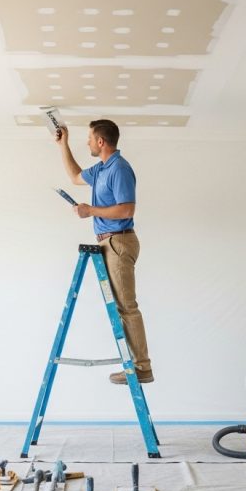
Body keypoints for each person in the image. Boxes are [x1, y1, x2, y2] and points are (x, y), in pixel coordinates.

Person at [55, 120, 153, 384]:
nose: (87, 142)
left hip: (119, 242)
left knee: (127, 307)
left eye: (89, 138)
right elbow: (75, 177)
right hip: (107, 242)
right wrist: (63, 143)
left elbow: (126, 210)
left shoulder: (119, 169)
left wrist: (91, 211)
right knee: (121, 307)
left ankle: (142, 367)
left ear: (101, 142)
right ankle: (134, 364)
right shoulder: (100, 169)